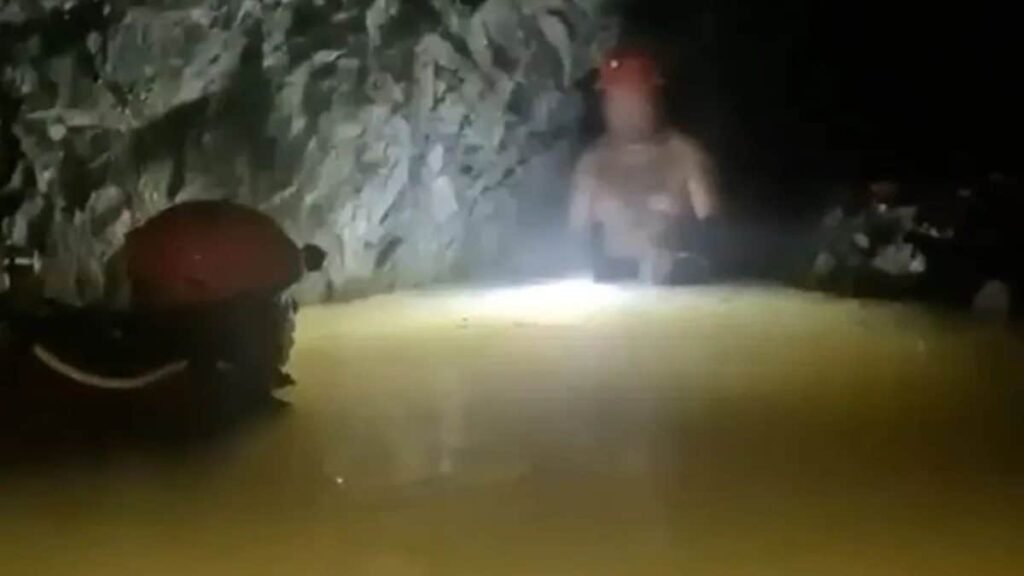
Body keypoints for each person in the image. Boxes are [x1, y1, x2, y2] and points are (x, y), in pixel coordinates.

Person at [568, 46, 722, 284]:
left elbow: (715, 241)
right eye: (617, 100)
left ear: (654, 99)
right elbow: (573, 243)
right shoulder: (592, 165)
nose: (626, 110)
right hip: (614, 289)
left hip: (677, 289)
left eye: (635, 98)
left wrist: (683, 266)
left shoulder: (686, 157)